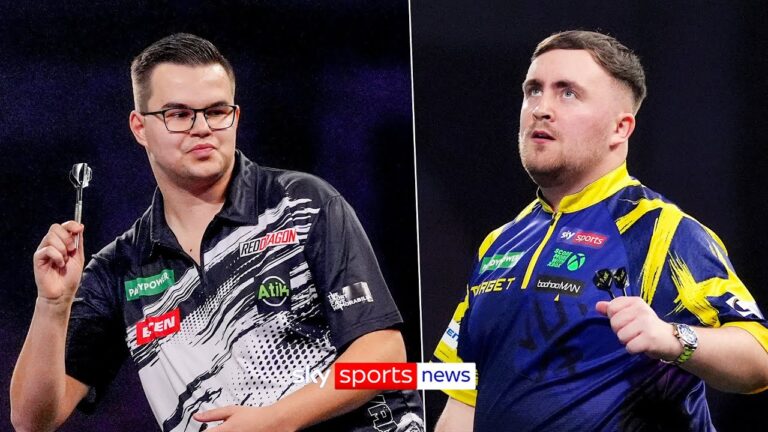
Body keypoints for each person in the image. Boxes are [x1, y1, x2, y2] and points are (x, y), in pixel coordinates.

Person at [11, 33, 424, 432]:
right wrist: (52, 305)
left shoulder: (303, 203)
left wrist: (275, 421)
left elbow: (385, 356)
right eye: (178, 114)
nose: (202, 127)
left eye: (216, 111)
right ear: (139, 127)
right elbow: (32, 421)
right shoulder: (120, 269)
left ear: (235, 117)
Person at [432, 30, 768, 431]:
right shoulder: (500, 243)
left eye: (567, 93)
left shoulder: (661, 231)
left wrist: (672, 338)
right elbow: (465, 396)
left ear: (620, 128)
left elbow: (760, 360)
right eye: (533, 90)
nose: (541, 109)